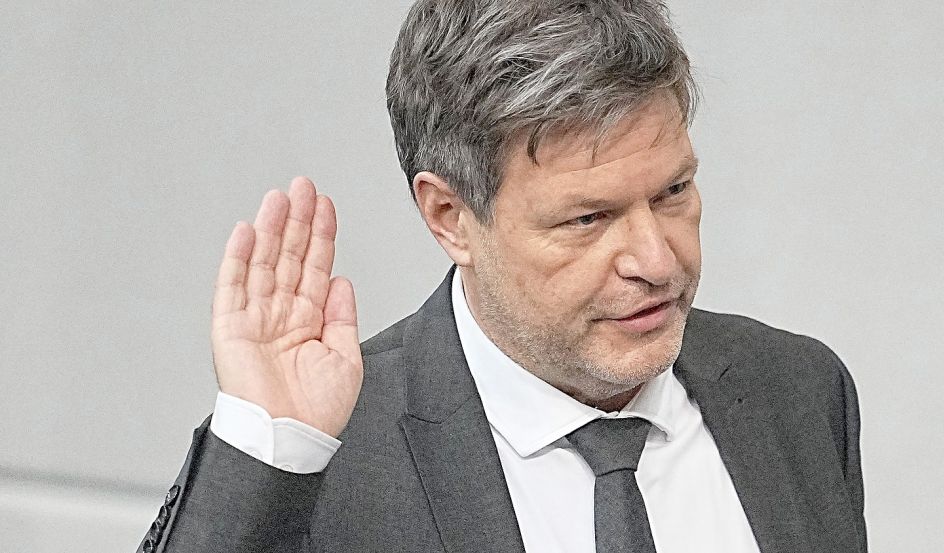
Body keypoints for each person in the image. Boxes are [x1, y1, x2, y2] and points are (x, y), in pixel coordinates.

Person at [138, 1, 867, 552]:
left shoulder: (796, 390)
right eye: (587, 219)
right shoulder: (323, 461)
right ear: (450, 215)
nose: (656, 260)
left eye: (672, 191)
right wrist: (265, 456)